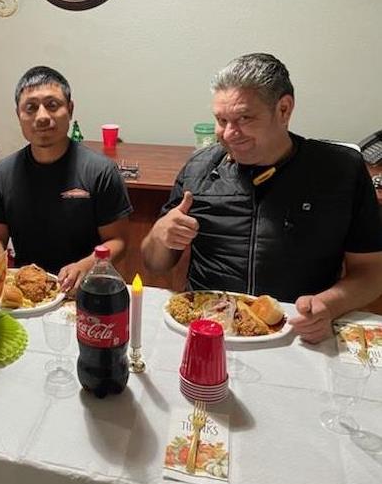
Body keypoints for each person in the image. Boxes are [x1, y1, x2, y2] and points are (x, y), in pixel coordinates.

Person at [141, 53, 382, 343]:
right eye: (221, 120)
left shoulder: (340, 170)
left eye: (245, 118)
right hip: (210, 327)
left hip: (297, 329)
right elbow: (155, 263)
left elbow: (371, 271)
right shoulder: (199, 169)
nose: (230, 134)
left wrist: (329, 305)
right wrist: (160, 235)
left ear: (284, 109)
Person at [0, 66, 132, 293]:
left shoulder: (101, 171)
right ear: (18, 115)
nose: (42, 117)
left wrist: (87, 265)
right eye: (31, 108)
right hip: (27, 291)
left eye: (52, 105)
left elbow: (118, 241)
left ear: (69, 109)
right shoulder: (3, 173)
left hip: (86, 290)